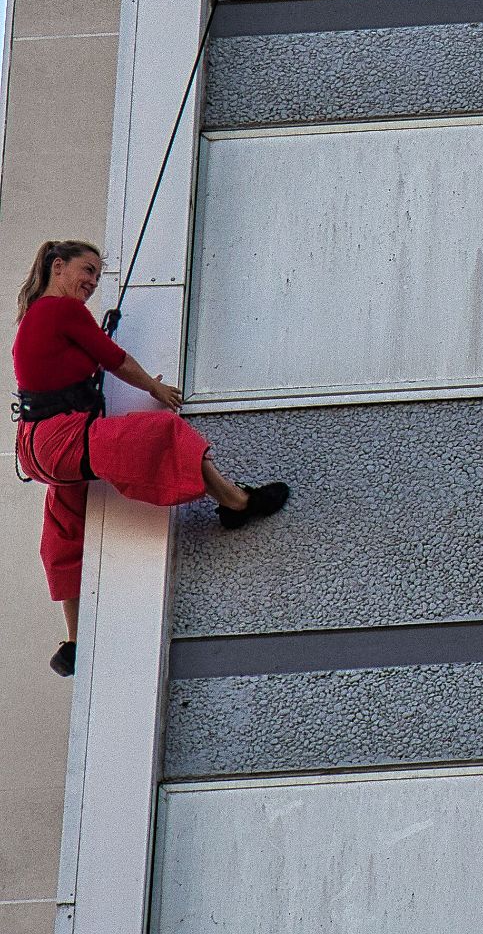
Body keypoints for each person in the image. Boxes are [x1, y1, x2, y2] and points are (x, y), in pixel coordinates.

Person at [13, 239, 289, 677]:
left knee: (65, 528)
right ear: (58, 266)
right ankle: (237, 502)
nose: (92, 281)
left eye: (98, 275)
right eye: (87, 270)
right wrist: (154, 388)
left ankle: (75, 641)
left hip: (34, 447)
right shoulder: (62, 311)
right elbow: (115, 359)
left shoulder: (34, 317)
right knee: (164, 433)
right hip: (61, 438)